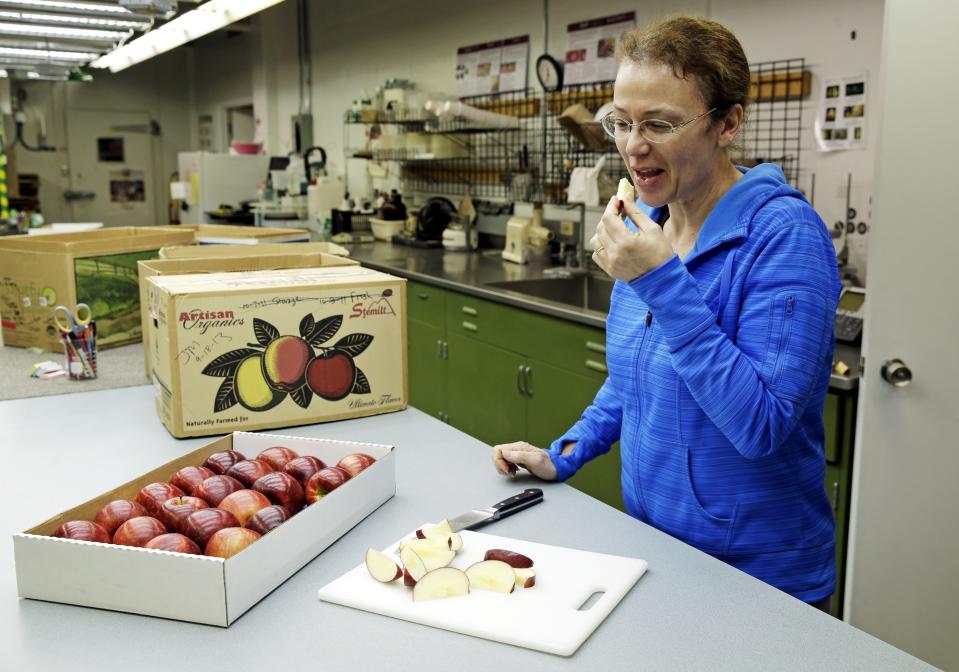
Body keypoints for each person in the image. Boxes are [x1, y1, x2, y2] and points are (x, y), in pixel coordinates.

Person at [492, 16, 841, 609]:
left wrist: (661, 282)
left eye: (659, 123)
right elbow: (635, 378)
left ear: (728, 123)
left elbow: (761, 427)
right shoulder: (651, 226)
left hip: (757, 579)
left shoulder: (785, 237)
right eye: (622, 122)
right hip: (658, 549)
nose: (633, 146)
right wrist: (566, 453)